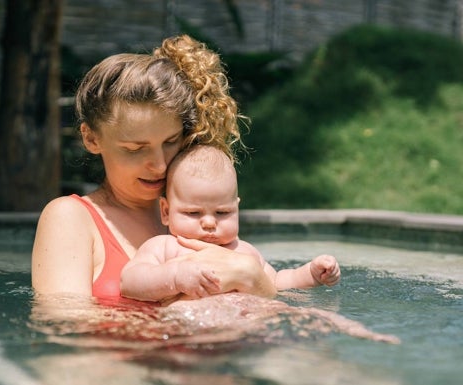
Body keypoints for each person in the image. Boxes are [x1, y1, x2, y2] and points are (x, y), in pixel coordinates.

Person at [31, 35, 277, 298]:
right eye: (135, 149)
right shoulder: (70, 218)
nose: (160, 165)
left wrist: (253, 277)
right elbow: (63, 326)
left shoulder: (201, 216)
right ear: (91, 138)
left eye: (171, 142)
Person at [120, 145, 341, 303]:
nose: (208, 222)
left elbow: (276, 282)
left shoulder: (244, 251)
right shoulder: (164, 246)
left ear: (236, 208)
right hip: (187, 334)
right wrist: (175, 276)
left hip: (246, 333)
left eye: (222, 212)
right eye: (193, 212)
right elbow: (130, 282)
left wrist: (310, 274)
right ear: (166, 211)